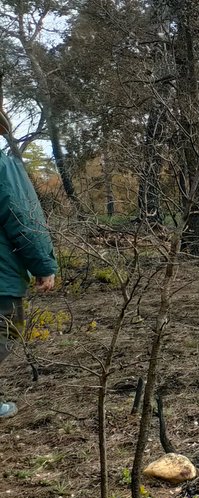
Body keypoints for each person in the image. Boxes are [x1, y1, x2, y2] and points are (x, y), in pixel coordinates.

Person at [0, 106, 57, 419]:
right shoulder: (3, 167)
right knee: (5, 332)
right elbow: (23, 218)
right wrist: (43, 264)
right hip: (1, 281)